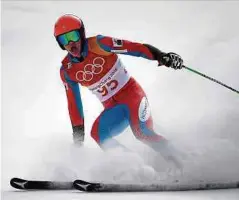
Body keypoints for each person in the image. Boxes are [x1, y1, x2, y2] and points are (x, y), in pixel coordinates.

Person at [54, 14, 184, 167]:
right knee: (98, 134)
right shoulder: (67, 70)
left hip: (133, 97)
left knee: (142, 133)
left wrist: (161, 56)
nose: (70, 43)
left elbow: (135, 48)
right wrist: (78, 137)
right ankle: (134, 169)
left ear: (81, 34)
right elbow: (74, 104)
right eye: (64, 40)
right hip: (114, 108)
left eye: (73, 36)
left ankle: (183, 162)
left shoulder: (99, 44)